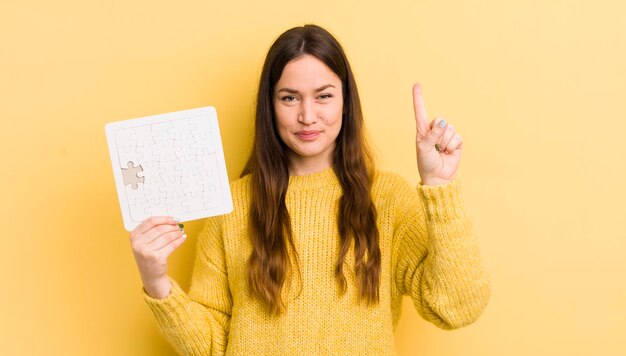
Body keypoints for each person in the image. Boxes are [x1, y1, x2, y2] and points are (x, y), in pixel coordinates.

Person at [129, 24, 491, 355]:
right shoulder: (232, 207)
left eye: (323, 96)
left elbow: (457, 307)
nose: (307, 116)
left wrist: (440, 187)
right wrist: (156, 280)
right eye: (289, 98)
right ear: (269, 107)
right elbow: (212, 345)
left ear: (346, 102)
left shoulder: (389, 199)